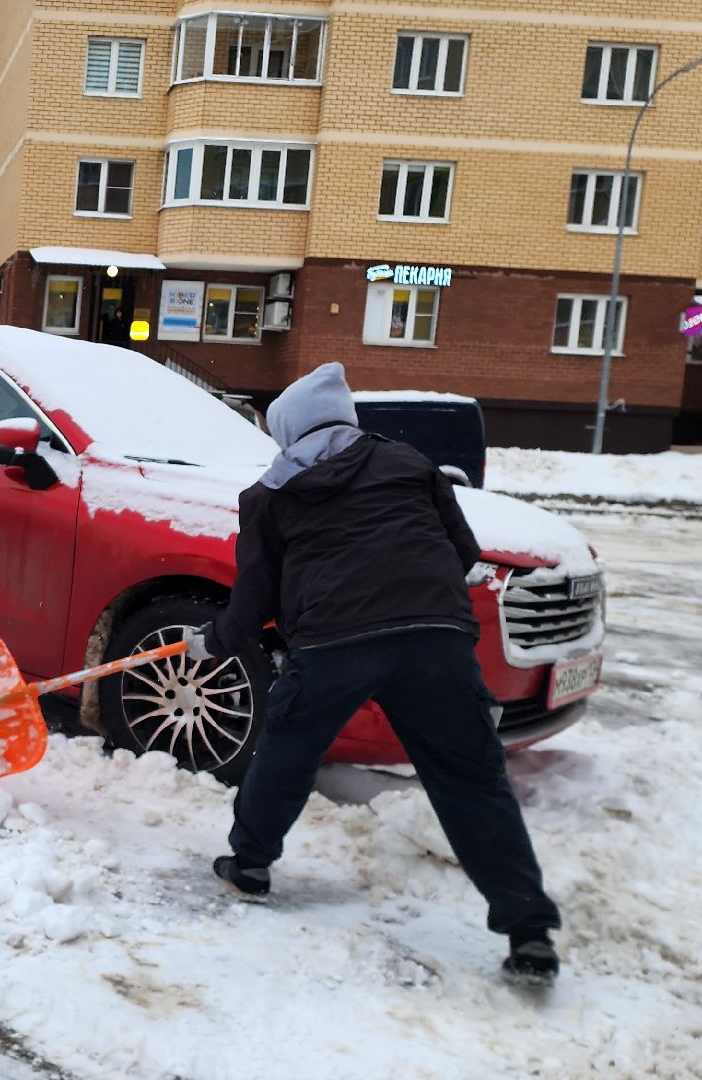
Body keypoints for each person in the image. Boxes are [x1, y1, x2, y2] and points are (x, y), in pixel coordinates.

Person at [185, 362, 564, 987]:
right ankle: (529, 931)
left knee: (289, 749)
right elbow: (463, 549)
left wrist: (214, 641)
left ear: (288, 430)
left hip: (335, 643)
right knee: (471, 781)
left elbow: (252, 602)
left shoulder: (270, 494)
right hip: (435, 640)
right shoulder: (409, 463)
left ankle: (249, 864)